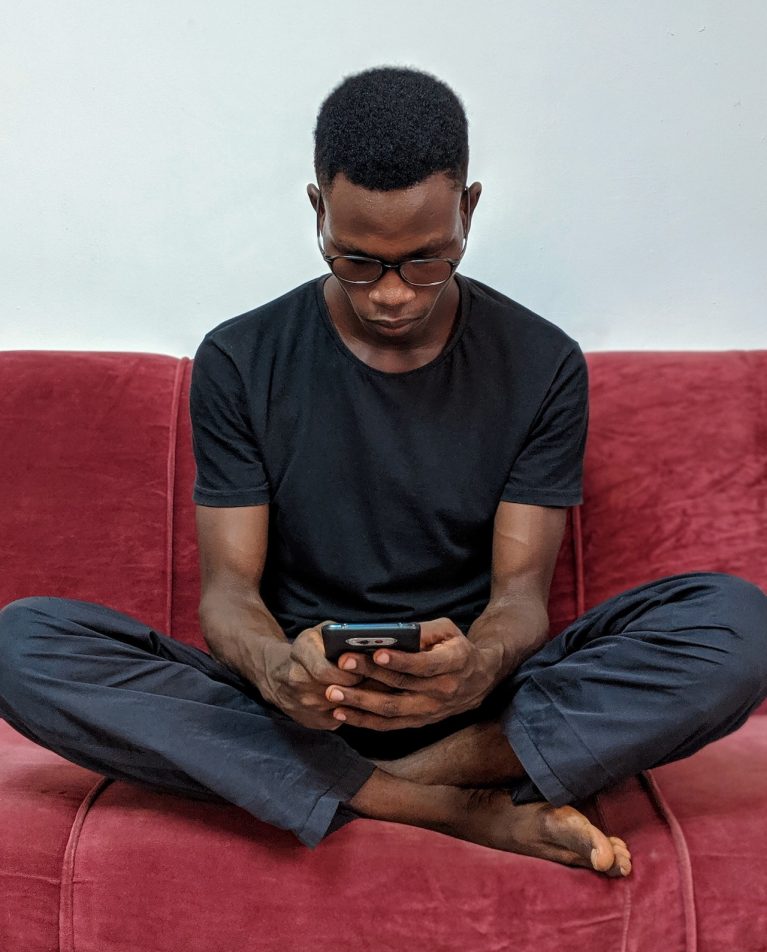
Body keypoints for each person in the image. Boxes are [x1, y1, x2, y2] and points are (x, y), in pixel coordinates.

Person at [2, 67, 766, 880]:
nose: (392, 295)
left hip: (474, 706)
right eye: (356, 262)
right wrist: (277, 669)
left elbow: (519, 599)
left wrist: (473, 668)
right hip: (294, 711)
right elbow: (228, 592)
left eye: (426, 262)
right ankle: (446, 806)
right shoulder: (240, 358)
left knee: (734, 625)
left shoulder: (542, 364)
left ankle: (381, 786)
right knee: (22, 641)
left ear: (467, 210)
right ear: (315, 211)